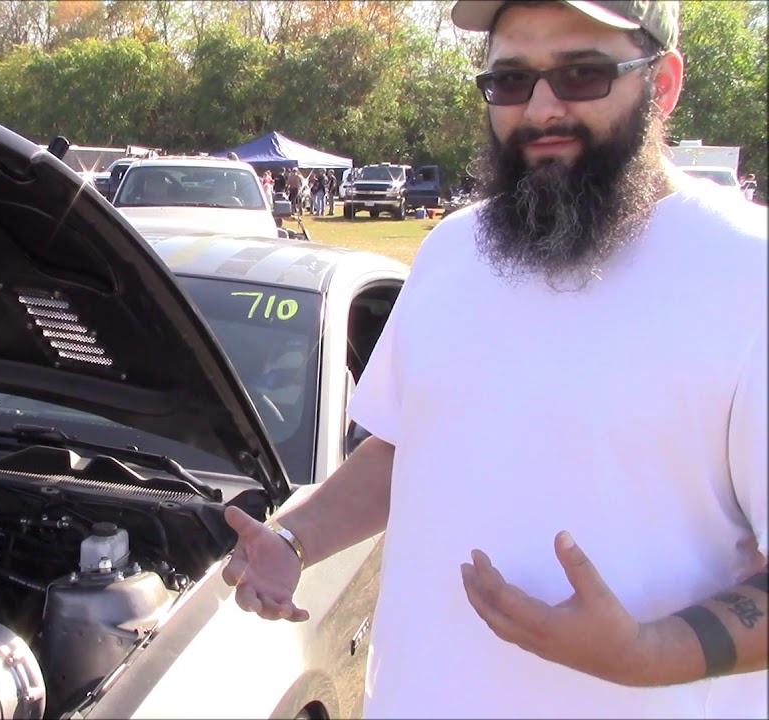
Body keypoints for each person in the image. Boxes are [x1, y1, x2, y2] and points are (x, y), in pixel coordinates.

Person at [221, 2, 766, 718]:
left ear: (662, 84)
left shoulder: (746, 272)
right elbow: (408, 450)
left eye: (581, 74)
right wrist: (295, 540)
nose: (540, 109)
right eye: (511, 80)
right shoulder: (454, 250)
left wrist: (649, 652)